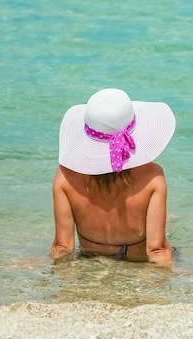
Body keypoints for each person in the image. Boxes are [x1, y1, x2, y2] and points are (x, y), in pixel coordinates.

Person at [50, 88, 176, 267]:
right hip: (136, 261)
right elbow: (156, 250)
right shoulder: (153, 178)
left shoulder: (65, 177)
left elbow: (63, 247)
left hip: (92, 259)